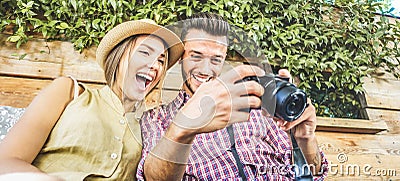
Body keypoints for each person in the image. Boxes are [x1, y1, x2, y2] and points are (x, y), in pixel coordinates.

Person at [137, 13, 329, 180]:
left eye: (216, 59)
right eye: (196, 56)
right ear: (181, 57)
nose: (205, 69)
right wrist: (183, 128)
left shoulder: (257, 107)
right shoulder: (158, 119)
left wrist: (305, 139)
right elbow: (154, 177)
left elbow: (309, 172)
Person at [0, 19, 184, 180]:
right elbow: (6, 162)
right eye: (145, 53)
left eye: (161, 60)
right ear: (119, 56)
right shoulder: (68, 91)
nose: (154, 65)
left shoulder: (148, 128)